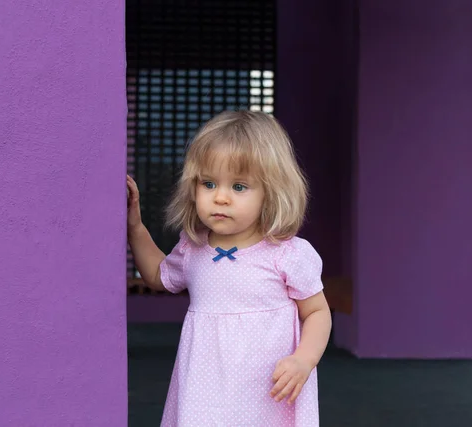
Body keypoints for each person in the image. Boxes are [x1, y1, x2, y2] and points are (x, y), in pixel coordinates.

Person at [127, 110, 332, 426]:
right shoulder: (193, 247)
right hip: (205, 392)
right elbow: (158, 276)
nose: (220, 197)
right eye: (208, 183)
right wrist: (136, 228)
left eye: (239, 187)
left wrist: (304, 360)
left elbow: (317, 312)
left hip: (267, 392)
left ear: (270, 192)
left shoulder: (287, 254)